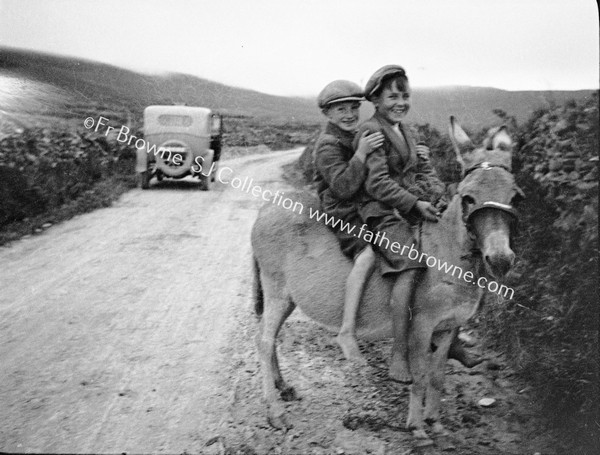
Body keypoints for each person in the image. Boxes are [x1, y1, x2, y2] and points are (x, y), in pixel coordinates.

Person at [357, 65, 480, 382]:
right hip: (381, 212)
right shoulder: (372, 130)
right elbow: (378, 183)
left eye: (405, 95)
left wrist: (438, 195)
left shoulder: (405, 131)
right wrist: (414, 203)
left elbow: (419, 172)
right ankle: (399, 354)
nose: (400, 102)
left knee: (453, 247)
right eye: (392, 96)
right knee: (411, 264)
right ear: (375, 99)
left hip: (408, 207)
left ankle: (449, 336)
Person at [313, 80, 385, 362]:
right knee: (366, 255)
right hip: (340, 210)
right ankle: (347, 330)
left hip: (362, 203)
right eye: (340, 109)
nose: (348, 114)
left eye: (353, 108)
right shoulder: (327, 145)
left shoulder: (353, 135)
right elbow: (342, 187)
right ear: (328, 114)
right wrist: (361, 153)